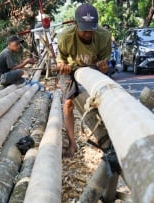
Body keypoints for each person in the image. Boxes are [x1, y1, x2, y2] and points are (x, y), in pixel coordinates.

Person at [56, 3, 111, 157]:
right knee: (68, 103)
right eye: (84, 30)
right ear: (75, 24)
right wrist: (63, 66)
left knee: (102, 99)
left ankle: (104, 138)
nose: (88, 34)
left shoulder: (104, 36)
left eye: (91, 30)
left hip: (93, 68)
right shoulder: (65, 37)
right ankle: (73, 142)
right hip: (71, 68)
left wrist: (104, 66)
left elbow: (106, 61)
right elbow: (60, 61)